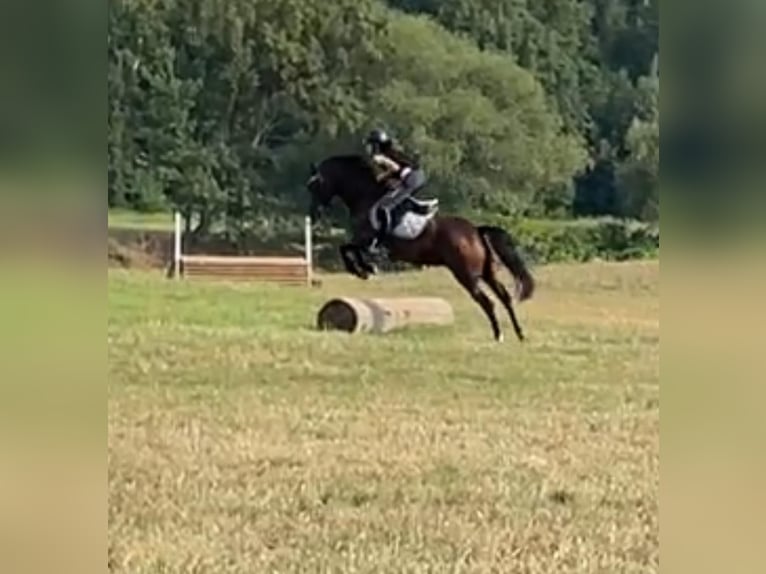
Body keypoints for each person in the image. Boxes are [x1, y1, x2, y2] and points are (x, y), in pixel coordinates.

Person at [363, 128, 437, 251]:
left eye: (370, 145)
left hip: (411, 179)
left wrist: (382, 177)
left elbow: (395, 168)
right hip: (416, 176)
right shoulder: (391, 152)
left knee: (384, 208)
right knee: (396, 198)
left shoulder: (379, 157)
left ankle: (379, 243)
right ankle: (418, 206)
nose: (368, 148)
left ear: (376, 145)